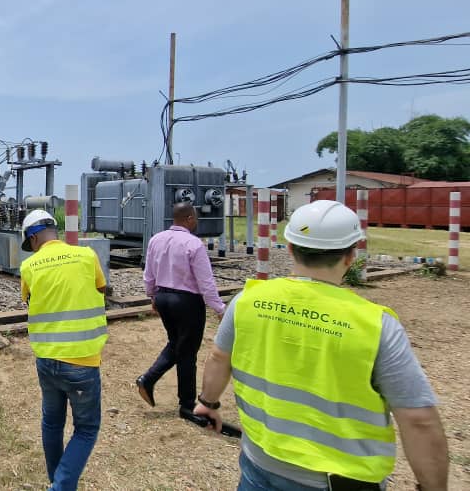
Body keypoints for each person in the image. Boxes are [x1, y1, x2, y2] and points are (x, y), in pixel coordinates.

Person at [193, 200, 449, 490]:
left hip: (259, 465)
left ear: (289, 248)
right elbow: (418, 419)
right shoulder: (376, 326)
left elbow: (218, 357)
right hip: (339, 481)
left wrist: (207, 403)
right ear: (351, 256)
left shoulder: (247, 302)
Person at [20, 209, 108, 491]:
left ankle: (55, 478)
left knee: (52, 422)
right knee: (86, 428)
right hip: (82, 360)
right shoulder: (87, 255)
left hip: (46, 359)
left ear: (34, 239)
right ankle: (60, 486)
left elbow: (29, 299)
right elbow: (101, 288)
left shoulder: (29, 266)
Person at [136, 202, 225, 414]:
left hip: (163, 297)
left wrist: (153, 297)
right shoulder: (194, 244)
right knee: (187, 353)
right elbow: (206, 283)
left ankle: (148, 380)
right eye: (195, 217)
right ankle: (186, 405)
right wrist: (220, 309)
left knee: (177, 343)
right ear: (189, 219)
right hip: (187, 302)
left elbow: (148, 274)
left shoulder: (156, 239)